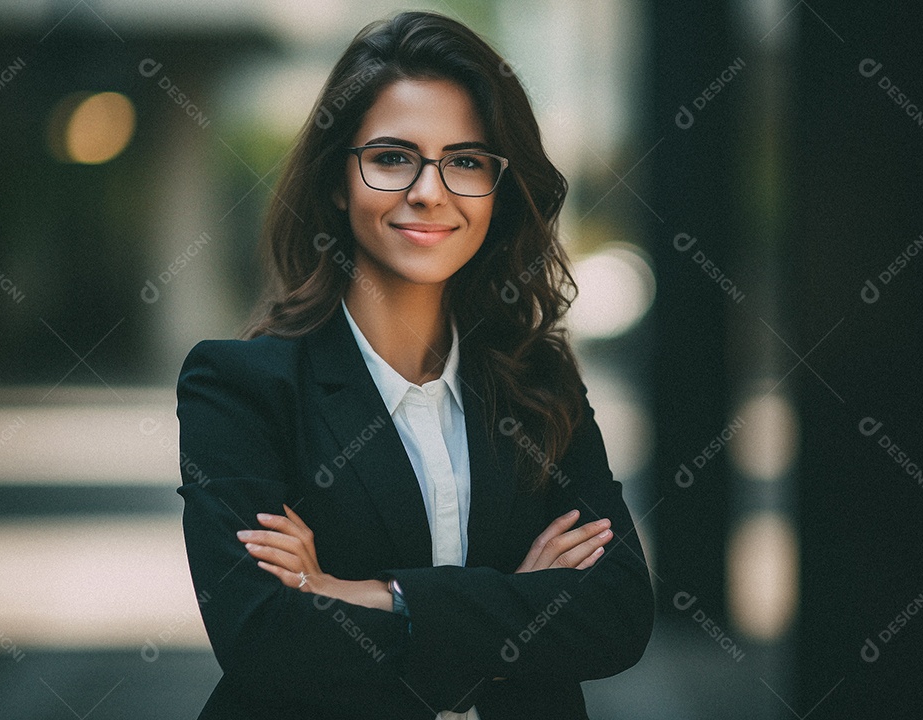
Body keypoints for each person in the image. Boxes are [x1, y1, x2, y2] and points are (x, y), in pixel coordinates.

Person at [176, 11, 654, 719]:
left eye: (466, 161)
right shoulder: (241, 389)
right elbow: (267, 640)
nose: (429, 191)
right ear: (337, 181)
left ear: (498, 189)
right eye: (393, 157)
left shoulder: (537, 383)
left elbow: (616, 612)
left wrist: (373, 596)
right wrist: (518, 615)